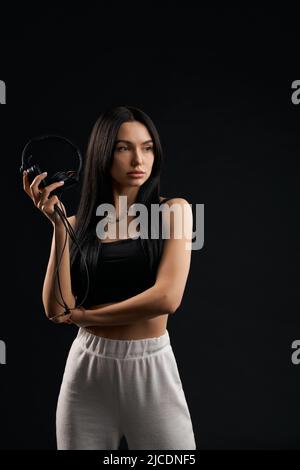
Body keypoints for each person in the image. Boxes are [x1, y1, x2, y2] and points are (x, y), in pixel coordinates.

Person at [22, 105, 196, 450]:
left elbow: (167, 298)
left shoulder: (173, 211)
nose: (138, 160)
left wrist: (88, 317)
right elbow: (57, 309)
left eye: (147, 148)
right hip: (87, 368)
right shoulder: (74, 225)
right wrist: (58, 226)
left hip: (151, 365)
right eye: (123, 147)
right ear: (103, 153)